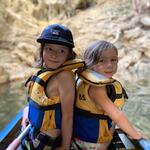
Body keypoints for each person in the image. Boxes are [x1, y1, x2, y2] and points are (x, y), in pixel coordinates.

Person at [72, 40, 148, 150]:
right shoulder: (97, 88)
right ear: (89, 63)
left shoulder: (83, 80)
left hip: (80, 137)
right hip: (94, 144)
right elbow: (116, 115)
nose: (109, 65)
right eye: (102, 61)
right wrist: (135, 134)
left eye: (113, 60)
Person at [18, 23, 84, 150]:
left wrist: (65, 146)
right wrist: (26, 113)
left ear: (69, 55)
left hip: (47, 140)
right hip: (34, 130)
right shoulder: (43, 72)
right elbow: (34, 102)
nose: (54, 55)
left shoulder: (65, 77)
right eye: (49, 49)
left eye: (62, 50)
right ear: (42, 50)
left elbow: (68, 116)